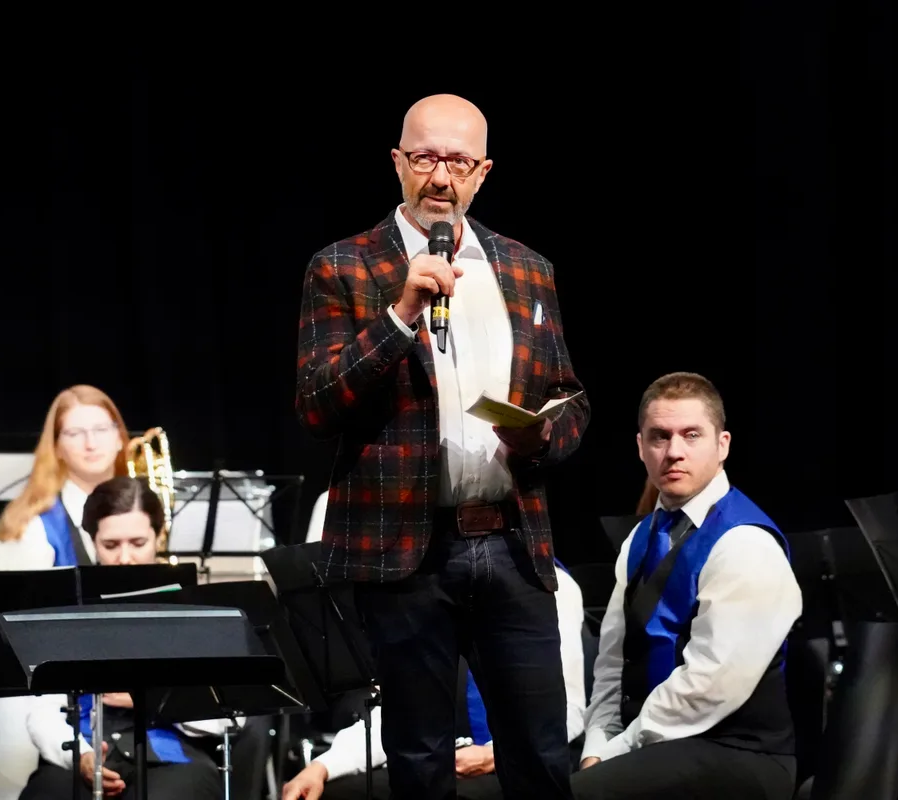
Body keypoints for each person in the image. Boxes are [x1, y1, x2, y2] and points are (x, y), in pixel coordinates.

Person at [294, 93, 590, 800]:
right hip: (406, 555)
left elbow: (573, 397)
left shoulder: (527, 270)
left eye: (458, 161)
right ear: (397, 162)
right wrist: (400, 315)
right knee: (420, 762)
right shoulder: (344, 267)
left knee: (541, 756)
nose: (440, 177)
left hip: (512, 544)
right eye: (425, 157)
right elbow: (316, 405)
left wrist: (542, 434)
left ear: (483, 172)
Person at [572, 372, 801, 800]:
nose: (674, 452)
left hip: (737, 752)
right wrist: (597, 746)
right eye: (659, 437)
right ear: (640, 447)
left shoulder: (744, 542)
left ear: (723, 445)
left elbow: (709, 687)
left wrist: (617, 751)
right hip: (653, 747)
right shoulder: (639, 539)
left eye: (691, 435)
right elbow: (611, 666)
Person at [282, 561, 587, 800]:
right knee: (330, 792)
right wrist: (322, 767)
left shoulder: (546, 585)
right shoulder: (420, 587)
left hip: (503, 762)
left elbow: (569, 710)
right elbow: (400, 715)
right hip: (444, 759)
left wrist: (491, 754)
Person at [18, 476, 226, 800]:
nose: (125, 558)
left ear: (159, 537)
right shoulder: (66, 609)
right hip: (86, 749)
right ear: (93, 543)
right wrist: (81, 757)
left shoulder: (194, 607)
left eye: (138, 543)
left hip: (172, 758)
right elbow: (43, 711)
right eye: (111, 546)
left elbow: (223, 719)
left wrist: (154, 699)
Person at [0, 384, 131, 570]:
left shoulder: (142, 509)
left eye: (101, 429)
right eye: (75, 433)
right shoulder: (30, 526)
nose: (91, 444)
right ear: (57, 447)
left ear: (120, 437)